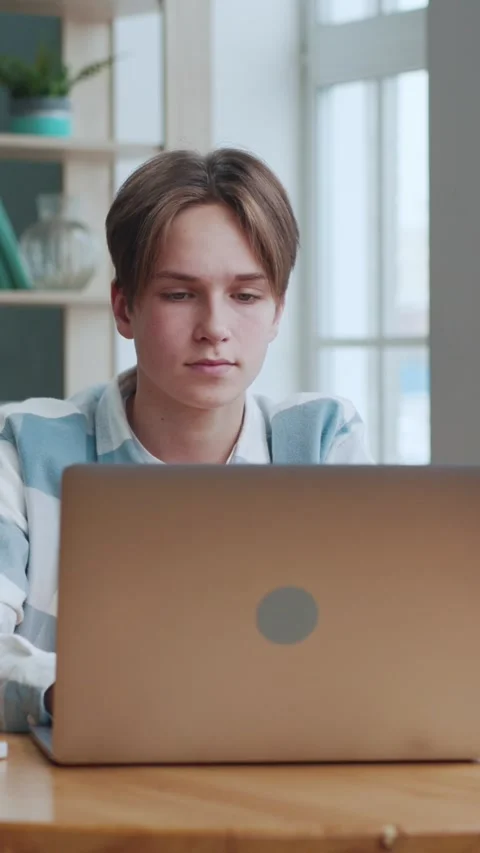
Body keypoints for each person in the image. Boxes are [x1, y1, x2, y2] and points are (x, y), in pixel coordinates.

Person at [0, 148, 371, 733]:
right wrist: (93, 696)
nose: (215, 328)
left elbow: (373, 648)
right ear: (125, 307)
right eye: (179, 294)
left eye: (246, 296)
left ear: (277, 312)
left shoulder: (320, 440)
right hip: (77, 795)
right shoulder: (23, 445)